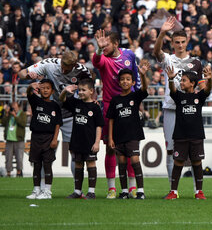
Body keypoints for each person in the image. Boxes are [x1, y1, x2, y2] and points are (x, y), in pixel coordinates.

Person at [19, 51, 92, 175]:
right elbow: (21, 73)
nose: (63, 70)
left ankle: (77, 189)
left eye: (67, 68)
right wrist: (28, 76)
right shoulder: (50, 64)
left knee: (74, 151)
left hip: (70, 113)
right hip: (50, 111)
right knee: (45, 151)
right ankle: (43, 188)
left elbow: (89, 89)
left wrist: (91, 102)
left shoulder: (83, 71)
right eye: (62, 66)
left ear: (74, 65)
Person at [154, 17, 204, 184]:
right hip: (171, 108)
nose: (180, 45)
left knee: (192, 151)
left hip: (189, 111)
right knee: (170, 149)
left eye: (183, 42)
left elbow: (202, 87)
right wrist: (161, 33)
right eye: (177, 42)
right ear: (172, 43)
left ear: (187, 41)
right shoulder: (168, 59)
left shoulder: (196, 63)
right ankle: (172, 188)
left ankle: (198, 189)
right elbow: (156, 52)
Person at [93, 29, 141, 199]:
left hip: (129, 105)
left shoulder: (129, 55)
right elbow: (96, 62)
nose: (103, 47)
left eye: (106, 45)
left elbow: (136, 78)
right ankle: (112, 188)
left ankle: (133, 187)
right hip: (110, 107)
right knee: (111, 148)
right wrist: (98, 50)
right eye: (101, 45)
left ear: (115, 44)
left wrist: (138, 103)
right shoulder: (104, 58)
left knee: (130, 149)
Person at [163, 64, 212, 200]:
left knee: (197, 163)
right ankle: (173, 191)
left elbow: (208, 90)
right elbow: (173, 91)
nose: (181, 82)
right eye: (181, 80)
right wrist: (171, 80)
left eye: (184, 80)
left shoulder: (199, 97)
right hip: (180, 136)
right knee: (178, 163)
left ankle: (199, 192)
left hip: (196, 136)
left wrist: (209, 79)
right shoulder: (179, 96)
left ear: (192, 83)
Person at [106, 62, 150, 200]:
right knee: (122, 163)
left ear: (132, 82)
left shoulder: (135, 97)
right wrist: (111, 138)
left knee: (135, 161)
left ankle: (140, 191)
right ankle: (124, 191)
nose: (125, 81)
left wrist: (142, 75)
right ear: (119, 82)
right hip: (119, 137)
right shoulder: (115, 100)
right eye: (122, 79)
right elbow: (111, 120)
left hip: (133, 135)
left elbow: (144, 89)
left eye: (128, 79)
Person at [61, 79, 104, 200]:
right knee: (78, 164)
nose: (80, 92)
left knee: (91, 163)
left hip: (90, 142)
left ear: (91, 91)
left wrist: (97, 142)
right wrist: (65, 91)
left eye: (83, 90)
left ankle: (91, 192)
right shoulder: (76, 103)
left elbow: (99, 126)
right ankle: (77, 191)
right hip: (76, 141)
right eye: (79, 90)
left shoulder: (95, 107)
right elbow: (62, 100)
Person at [25, 79, 62, 200]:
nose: (45, 90)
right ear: (39, 89)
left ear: (52, 91)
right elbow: (29, 93)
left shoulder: (55, 106)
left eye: (48, 88)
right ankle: (36, 190)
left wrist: (55, 139)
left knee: (47, 165)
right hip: (35, 137)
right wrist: (31, 87)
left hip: (49, 138)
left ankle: (47, 191)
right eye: (43, 87)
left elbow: (58, 123)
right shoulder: (36, 101)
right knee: (36, 165)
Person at [3, 101, 27, 177]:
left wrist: (15, 116)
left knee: (19, 157)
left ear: (18, 106)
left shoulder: (22, 114)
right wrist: (6, 114)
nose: (14, 107)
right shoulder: (9, 114)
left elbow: (23, 124)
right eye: (12, 106)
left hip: (19, 140)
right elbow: (3, 122)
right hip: (9, 139)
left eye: (15, 106)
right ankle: (8, 173)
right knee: (8, 157)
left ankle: (19, 172)